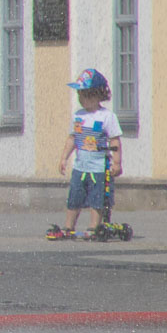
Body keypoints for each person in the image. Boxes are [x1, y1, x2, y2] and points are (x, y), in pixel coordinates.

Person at [48, 69, 122, 240]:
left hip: (98, 167)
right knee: (75, 197)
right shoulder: (78, 116)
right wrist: (64, 158)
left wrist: (117, 163)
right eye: (80, 95)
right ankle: (68, 226)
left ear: (98, 95)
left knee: (97, 199)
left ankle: (93, 227)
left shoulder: (106, 117)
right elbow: (72, 138)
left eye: (86, 95)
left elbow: (115, 141)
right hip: (80, 166)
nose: (82, 99)